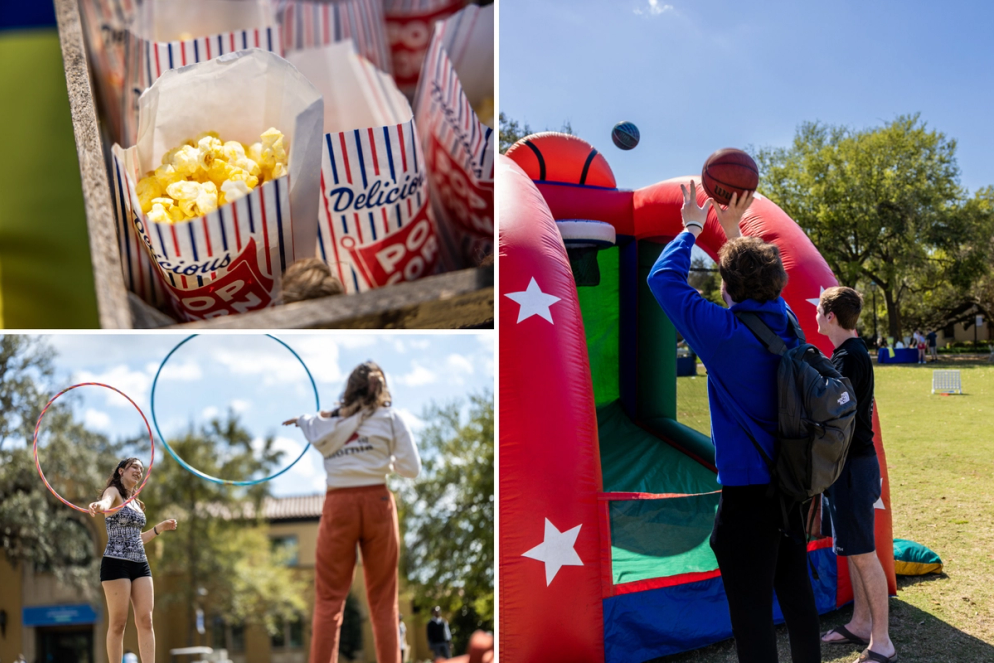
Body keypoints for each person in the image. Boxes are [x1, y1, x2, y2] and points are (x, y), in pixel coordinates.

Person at [647, 181, 820, 663]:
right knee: (797, 597)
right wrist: (730, 234)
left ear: (724, 286)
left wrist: (690, 228)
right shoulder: (787, 323)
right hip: (791, 488)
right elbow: (754, 283)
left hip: (747, 501)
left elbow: (662, 280)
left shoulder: (723, 335)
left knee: (751, 616)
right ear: (777, 284)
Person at [283, 361, 421, 663]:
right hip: (378, 504)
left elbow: (310, 420)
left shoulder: (326, 423)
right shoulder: (391, 418)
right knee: (385, 603)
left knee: (329, 602)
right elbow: (412, 468)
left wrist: (303, 419)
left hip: (339, 505)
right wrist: (386, 463)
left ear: (349, 388)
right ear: (381, 388)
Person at [815, 287, 896, 663]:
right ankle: (862, 623)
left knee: (864, 555)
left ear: (831, 316)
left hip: (853, 468)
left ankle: (882, 641)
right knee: (853, 548)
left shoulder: (849, 357)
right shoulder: (849, 354)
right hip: (849, 467)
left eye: (819, 309)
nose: (816, 314)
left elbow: (833, 416)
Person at [88, 458, 177, 663]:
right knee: (118, 623)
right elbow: (105, 503)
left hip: (140, 564)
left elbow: (136, 539)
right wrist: (98, 505)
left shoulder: (136, 502)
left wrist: (159, 528)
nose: (139, 471)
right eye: (134, 467)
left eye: (141, 469)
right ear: (121, 471)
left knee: (146, 620)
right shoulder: (114, 492)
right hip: (115, 563)